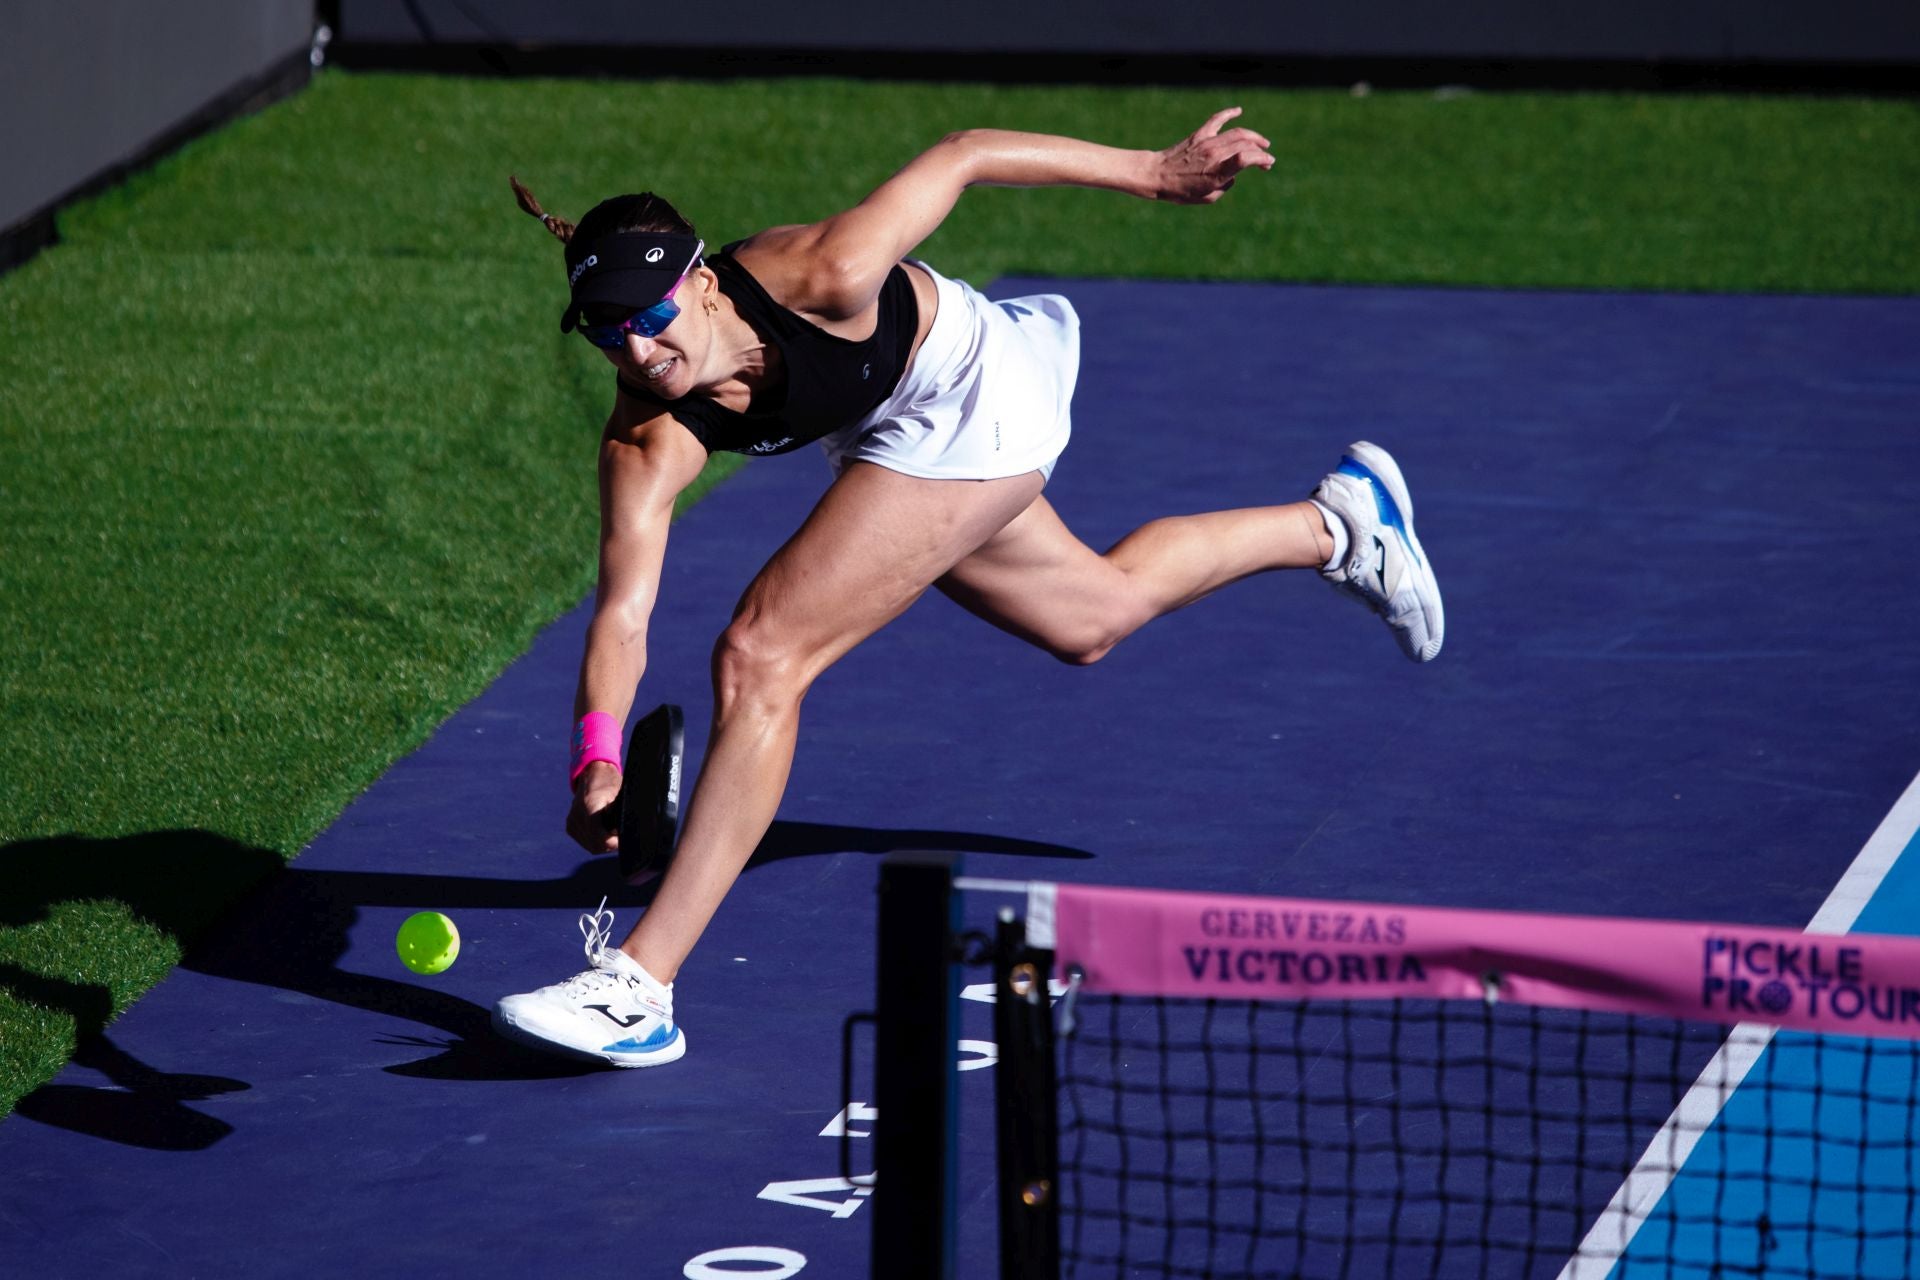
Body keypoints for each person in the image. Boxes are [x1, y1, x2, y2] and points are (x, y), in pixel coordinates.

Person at [491, 110, 1443, 1068]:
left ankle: (643, 983)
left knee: (762, 653)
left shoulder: (826, 269)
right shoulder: (644, 438)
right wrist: (595, 758)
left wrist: (1156, 172)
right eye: (608, 336)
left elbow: (965, 153)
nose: (639, 353)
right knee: (1092, 617)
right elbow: (623, 609)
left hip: (973, 386)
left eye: (651, 318)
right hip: (881, 429)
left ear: (699, 284)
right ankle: (1340, 526)